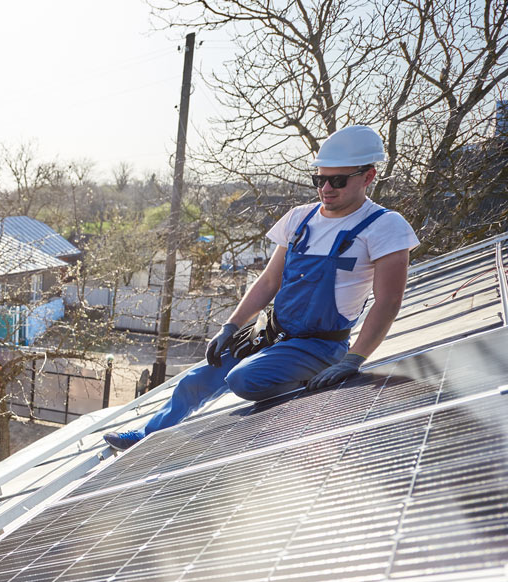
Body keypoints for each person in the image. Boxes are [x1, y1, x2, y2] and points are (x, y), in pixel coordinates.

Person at [104, 125, 419, 451]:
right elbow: (269, 281)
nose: (326, 188)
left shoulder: (386, 227)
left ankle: (299, 403)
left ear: (368, 176)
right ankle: (146, 438)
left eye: (337, 180)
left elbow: (388, 301)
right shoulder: (300, 219)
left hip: (320, 347)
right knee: (195, 381)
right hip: (273, 334)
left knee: (245, 378)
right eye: (319, 179)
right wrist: (232, 325)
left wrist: (353, 360)